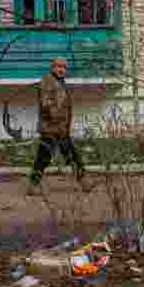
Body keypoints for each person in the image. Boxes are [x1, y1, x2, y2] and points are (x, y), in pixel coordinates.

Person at [27, 57, 84, 195]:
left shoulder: (60, 82)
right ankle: (33, 185)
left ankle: (83, 179)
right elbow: (46, 104)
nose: (61, 69)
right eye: (58, 66)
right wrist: (57, 119)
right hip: (51, 128)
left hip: (61, 128)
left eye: (64, 67)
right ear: (52, 67)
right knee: (43, 157)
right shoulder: (47, 81)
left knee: (71, 154)